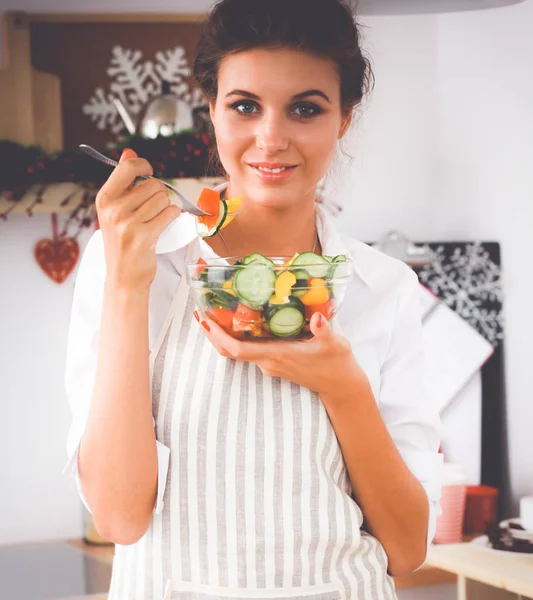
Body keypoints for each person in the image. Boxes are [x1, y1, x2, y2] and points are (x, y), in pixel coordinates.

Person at [64, 0, 443, 598]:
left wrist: (342, 384)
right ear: (211, 109)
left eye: (305, 108)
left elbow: (406, 549)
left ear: (344, 118)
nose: (271, 139)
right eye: (244, 106)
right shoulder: (132, 261)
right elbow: (119, 518)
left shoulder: (383, 288)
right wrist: (125, 283)